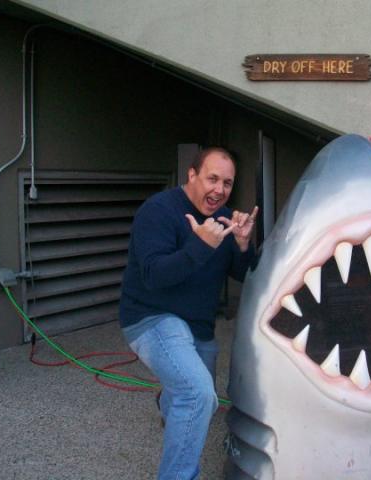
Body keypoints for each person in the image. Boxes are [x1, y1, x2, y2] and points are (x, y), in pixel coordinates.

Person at [119, 146, 257, 480]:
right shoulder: (158, 211)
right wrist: (200, 245)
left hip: (198, 327)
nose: (219, 190)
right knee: (197, 394)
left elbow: (243, 273)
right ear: (192, 175)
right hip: (151, 317)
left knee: (197, 397)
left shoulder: (224, 219)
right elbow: (154, 275)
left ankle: (169, 399)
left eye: (227, 183)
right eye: (212, 178)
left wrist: (242, 245)